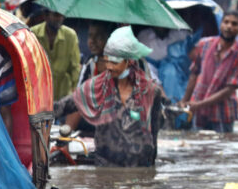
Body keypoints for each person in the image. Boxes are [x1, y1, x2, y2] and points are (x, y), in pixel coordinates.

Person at [54, 27, 164, 167]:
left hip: (139, 168)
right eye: (107, 61)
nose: (110, 67)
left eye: (115, 62)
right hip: (106, 166)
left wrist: (150, 170)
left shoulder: (151, 92)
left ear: (128, 62)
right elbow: (63, 106)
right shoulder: (95, 88)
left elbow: (154, 133)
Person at [180, 11, 238, 133]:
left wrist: (199, 104)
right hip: (198, 106)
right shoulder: (204, 44)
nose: (229, 26)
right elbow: (194, 74)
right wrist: (185, 101)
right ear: (221, 24)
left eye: (234, 24)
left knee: (222, 146)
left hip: (222, 111)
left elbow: (229, 89)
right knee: (197, 146)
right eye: (226, 22)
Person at [31, 9, 80, 101]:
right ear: (46, 16)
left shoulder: (70, 35)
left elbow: (75, 66)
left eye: (62, 15)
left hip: (63, 93)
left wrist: (75, 90)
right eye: (56, 15)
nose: (60, 19)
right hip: (39, 93)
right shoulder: (33, 33)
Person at [80, 21, 118, 86]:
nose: (92, 41)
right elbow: (80, 91)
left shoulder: (120, 66)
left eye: (99, 36)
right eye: (90, 35)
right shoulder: (89, 63)